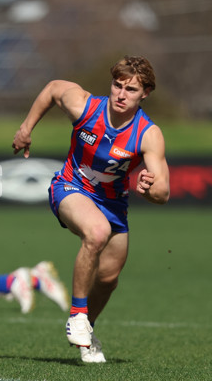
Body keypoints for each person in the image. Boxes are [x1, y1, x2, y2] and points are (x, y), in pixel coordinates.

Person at [12, 55, 170, 363]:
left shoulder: (148, 134)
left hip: (113, 203)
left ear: (145, 93)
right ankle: (77, 315)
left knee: (109, 277)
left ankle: (88, 328)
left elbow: (163, 191)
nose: (121, 94)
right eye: (117, 85)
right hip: (69, 188)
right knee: (97, 233)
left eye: (132, 90)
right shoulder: (86, 106)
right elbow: (53, 89)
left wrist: (150, 189)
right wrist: (26, 127)